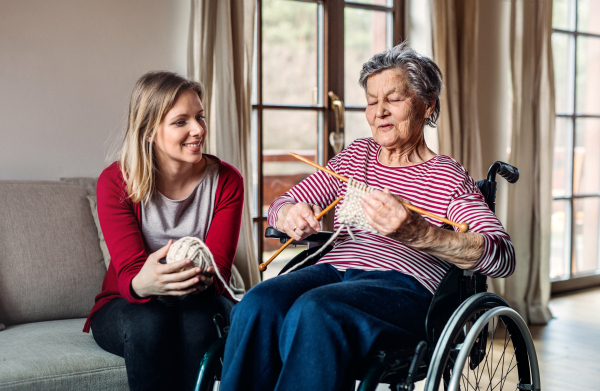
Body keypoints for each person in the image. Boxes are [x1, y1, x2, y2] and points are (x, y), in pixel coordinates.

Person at [220, 43, 515, 391]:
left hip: (404, 286)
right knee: (258, 304)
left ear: (427, 104)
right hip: (332, 272)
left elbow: (501, 256)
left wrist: (417, 231)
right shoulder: (356, 156)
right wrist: (289, 214)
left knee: (316, 311)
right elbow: (286, 201)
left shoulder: (446, 175)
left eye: (393, 99)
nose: (380, 113)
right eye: (372, 102)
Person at [83, 71, 244, 391]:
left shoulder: (226, 181)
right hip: (126, 303)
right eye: (181, 121)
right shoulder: (115, 182)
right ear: (149, 132)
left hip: (201, 300)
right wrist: (147, 281)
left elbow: (219, 272)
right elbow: (130, 276)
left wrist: (192, 279)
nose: (198, 129)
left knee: (198, 321)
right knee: (150, 320)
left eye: (199, 117)